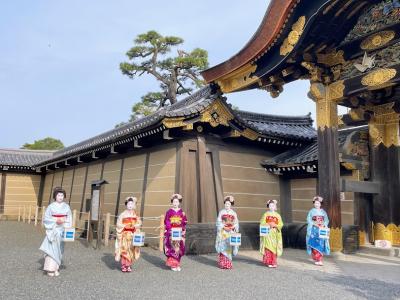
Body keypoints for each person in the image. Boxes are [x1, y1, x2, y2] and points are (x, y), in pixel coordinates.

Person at [39, 187, 72, 277]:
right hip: (53, 230)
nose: (60, 197)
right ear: (55, 196)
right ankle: (50, 269)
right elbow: (46, 218)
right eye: (58, 195)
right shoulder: (51, 206)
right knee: (52, 249)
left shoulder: (67, 206)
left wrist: (66, 225)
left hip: (62, 229)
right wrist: (55, 221)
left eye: (62, 195)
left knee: (59, 249)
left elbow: (69, 218)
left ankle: (56, 268)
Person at [115, 196, 142, 272]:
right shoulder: (122, 215)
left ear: (134, 205)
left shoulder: (136, 215)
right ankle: (124, 265)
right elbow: (118, 224)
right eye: (128, 204)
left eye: (131, 204)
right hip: (124, 234)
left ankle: (129, 265)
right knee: (124, 249)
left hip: (132, 234)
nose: (130, 205)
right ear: (126, 205)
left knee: (131, 250)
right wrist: (125, 226)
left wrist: (135, 226)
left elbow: (139, 223)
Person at [164, 194, 187, 271]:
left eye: (177, 202)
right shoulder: (169, 212)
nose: (175, 203)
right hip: (172, 231)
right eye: (174, 202)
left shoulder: (182, 212)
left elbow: (184, 221)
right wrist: (169, 229)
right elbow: (167, 221)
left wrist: (182, 228)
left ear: (179, 203)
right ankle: (173, 265)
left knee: (179, 247)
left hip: (179, 231)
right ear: (171, 202)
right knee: (173, 247)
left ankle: (177, 263)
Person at [215, 196, 239, 269]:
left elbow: (236, 223)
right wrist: (224, 227)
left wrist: (232, 227)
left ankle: (228, 263)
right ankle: (222, 263)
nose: (227, 205)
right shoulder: (221, 212)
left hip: (230, 232)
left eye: (228, 204)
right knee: (223, 246)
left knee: (228, 247)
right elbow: (218, 222)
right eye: (226, 204)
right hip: (223, 232)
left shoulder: (234, 213)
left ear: (231, 204)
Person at [306, 196, 330, 266]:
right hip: (314, 230)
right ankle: (317, 259)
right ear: (314, 204)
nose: (316, 204)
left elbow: (326, 220)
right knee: (314, 244)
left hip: (321, 229)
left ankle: (319, 259)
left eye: (318, 203)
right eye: (315, 203)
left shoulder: (323, 212)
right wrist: (314, 223)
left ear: (320, 204)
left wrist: (324, 224)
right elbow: (308, 219)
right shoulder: (311, 211)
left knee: (321, 244)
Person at [259, 199, 283, 268]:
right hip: (267, 232)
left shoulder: (278, 215)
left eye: (273, 205)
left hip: (274, 233)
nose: (271, 207)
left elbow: (281, 224)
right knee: (268, 247)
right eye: (270, 205)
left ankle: (274, 262)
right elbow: (262, 223)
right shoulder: (265, 214)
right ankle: (269, 262)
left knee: (274, 247)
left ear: (275, 206)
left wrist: (275, 225)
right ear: (268, 206)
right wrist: (268, 224)